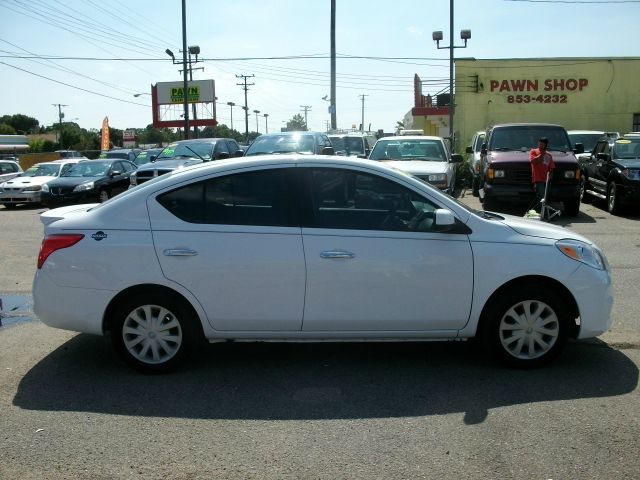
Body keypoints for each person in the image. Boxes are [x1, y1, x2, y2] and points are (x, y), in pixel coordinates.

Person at [530, 137, 555, 213]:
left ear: (546, 145)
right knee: (541, 196)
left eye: (542, 144)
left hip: (546, 180)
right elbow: (533, 161)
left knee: (545, 197)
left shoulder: (549, 155)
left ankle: (544, 212)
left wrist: (550, 174)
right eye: (539, 143)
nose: (540, 145)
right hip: (538, 179)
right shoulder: (533, 151)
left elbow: (551, 167)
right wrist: (542, 154)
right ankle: (539, 212)